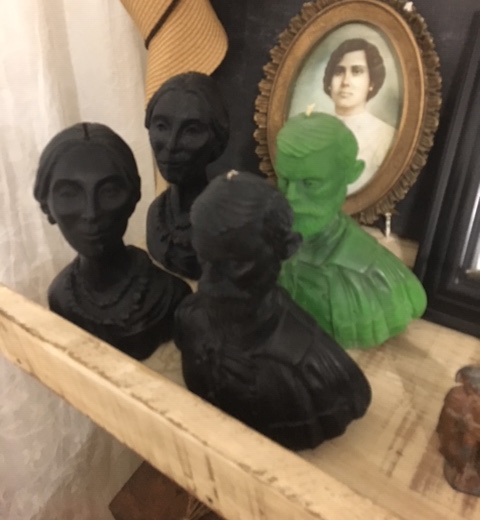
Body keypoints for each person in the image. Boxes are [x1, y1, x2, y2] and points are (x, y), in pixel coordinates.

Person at [175, 171, 371, 451]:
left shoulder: (316, 370)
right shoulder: (189, 320)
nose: (208, 281)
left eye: (235, 264)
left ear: (286, 249)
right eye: (204, 259)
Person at [34, 122, 191, 360]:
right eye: (69, 194)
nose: (91, 212)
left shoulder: (171, 295)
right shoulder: (61, 296)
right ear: (46, 204)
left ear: (133, 195)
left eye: (109, 191)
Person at [276, 111, 426, 349]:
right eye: (284, 180)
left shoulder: (384, 283)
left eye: (311, 183)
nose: (291, 196)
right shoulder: (269, 249)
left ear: (351, 173)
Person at [145, 71, 229, 279]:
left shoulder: (227, 225)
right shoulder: (156, 214)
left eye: (191, 131)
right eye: (161, 126)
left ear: (217, 141)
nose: (171, 145)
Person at [323, 37, 396, 193]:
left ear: (371, 83)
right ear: (329, 82)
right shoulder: (311, 130)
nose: (345, 81)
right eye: (338, 71)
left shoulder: (386, 137)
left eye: (356, 71)